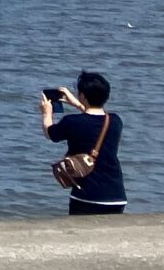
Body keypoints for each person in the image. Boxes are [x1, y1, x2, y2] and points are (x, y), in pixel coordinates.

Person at [41, 70, 125, 215]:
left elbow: (50, 133)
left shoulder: (72, 122)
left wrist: (47, 112)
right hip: (116, 196)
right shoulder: (115, 121)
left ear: (83, 96)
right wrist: (78, 104)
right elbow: (93, 117)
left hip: (86, 196)